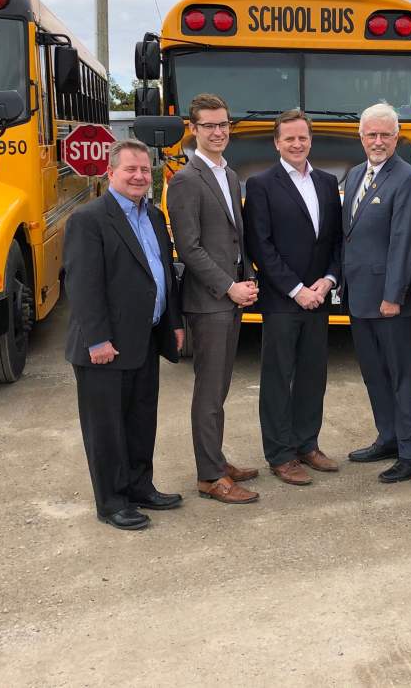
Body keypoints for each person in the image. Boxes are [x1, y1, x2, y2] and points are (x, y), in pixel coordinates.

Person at [63, 139, 185, 530]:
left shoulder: (152, 216)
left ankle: (139, 486)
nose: (139, 176)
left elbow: (164, 274)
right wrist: (97, 339)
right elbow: (83, 285)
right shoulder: (90, 219)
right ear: (110, 173)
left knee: (140, 419)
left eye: (145, 170)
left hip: (144, 339)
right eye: (130, 169)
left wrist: (174, 324)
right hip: (105, 347)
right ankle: (112, 501)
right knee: (107, 429)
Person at [166, 93, 261, 505]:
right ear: (193, 129)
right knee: (208, 392)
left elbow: (235, 239)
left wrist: (249, 277)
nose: (218, 132)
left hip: (232, 297)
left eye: (223, 124)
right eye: (209, 125)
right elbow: (189, 248)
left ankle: (216, 460)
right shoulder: (186, 180)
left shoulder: (230, 174)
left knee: (220, 387)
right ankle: (209, 476)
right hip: (209, 302)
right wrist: (228, 287)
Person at [243, 109, 343, 486]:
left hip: (319, 297)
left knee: (313, 375)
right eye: (289, 138)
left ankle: (307, 444)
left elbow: (335, 240)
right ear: (277, 143)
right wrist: (297, 290)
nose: (297, 144)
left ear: (310, 140)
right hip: (283, 300)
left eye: (302, 137)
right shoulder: (261, 184)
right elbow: (261, 246)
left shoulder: (328, 182)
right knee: (277, 377)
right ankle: (280, 454)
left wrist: (328, 280)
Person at [342, 102, 411, 483]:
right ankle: (389, 437)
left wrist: (394, 295)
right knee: (374, 374)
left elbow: (404, 240)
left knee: (403, 375)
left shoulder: (407, 178)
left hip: (390, 300)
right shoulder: (357, 173)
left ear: (397, 138)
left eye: (385, 135)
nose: (378, 141)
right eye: (371, 134)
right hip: (359, 296)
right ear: (361, 138)